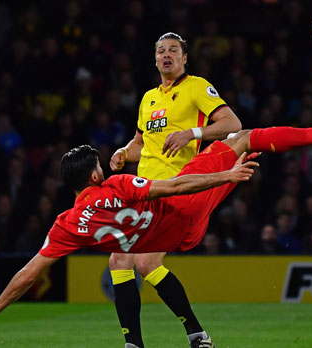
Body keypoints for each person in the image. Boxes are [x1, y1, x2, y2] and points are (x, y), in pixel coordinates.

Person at [0, 110, 312, 348]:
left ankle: (144, 341)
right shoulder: (117, 186)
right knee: (242, 138)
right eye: (98, 162)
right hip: (184, 210)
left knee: (125, 259)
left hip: (171, 241)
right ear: (92, 175)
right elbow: (175, 185)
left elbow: (30, 272)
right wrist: (227, 177)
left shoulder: (68, 224)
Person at [108, 32, 241, 348]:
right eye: (161, 51)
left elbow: (233, 124)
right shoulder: (148, 99)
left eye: (173, 50)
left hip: (176, 189)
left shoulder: (196, 86)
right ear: (155, 59)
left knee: (140, 262)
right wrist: (124, 153)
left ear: (184, 59)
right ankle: (155, 341)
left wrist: (191, 133)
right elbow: (142, 144)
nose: (166, 55)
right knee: (123, 262)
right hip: (144, 191)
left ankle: (188, 336)